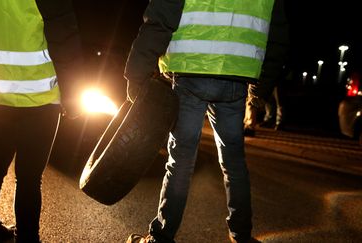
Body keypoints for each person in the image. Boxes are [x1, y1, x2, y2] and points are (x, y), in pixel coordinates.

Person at [124, 0, 283, 242]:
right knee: (234, 162)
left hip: (191, 71)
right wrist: (262, 86)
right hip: (235, 76)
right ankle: (241, 235)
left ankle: (162, 236)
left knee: (181, 160)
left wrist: (136, 73)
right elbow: (278, 34)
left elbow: (161, 17)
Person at [0, 0, 82, 242]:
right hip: (39, 95)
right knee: (29, 177)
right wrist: (73, 92)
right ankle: (28, 238)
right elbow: (63, 34)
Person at [244, 0, 291, 136]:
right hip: (259, 70)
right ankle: (254, 122)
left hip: (267, 73)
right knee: (256, 100)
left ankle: (254, 124)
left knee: (262, 100)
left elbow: (277, 47)